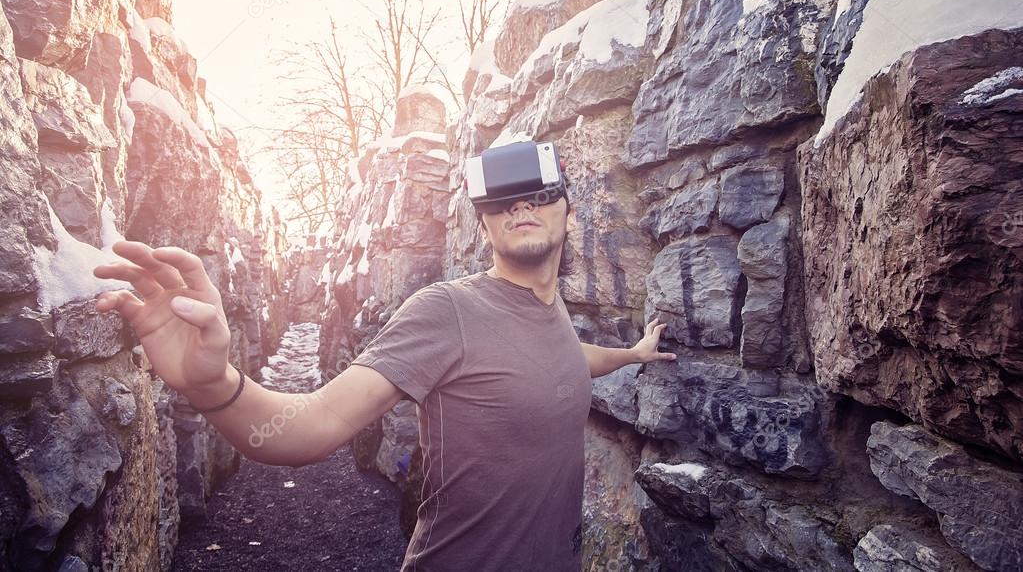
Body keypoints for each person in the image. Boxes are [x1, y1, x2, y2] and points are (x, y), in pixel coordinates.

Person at [92, 152, 674, 571]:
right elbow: (315, 426)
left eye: (540, 194)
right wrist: (212, 382)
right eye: (501, 199)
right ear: (486, 222)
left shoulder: (553, 314)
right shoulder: (449, 311)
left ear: (569, 213)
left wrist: (632, 354)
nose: (521, 205)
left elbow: (569, 360)